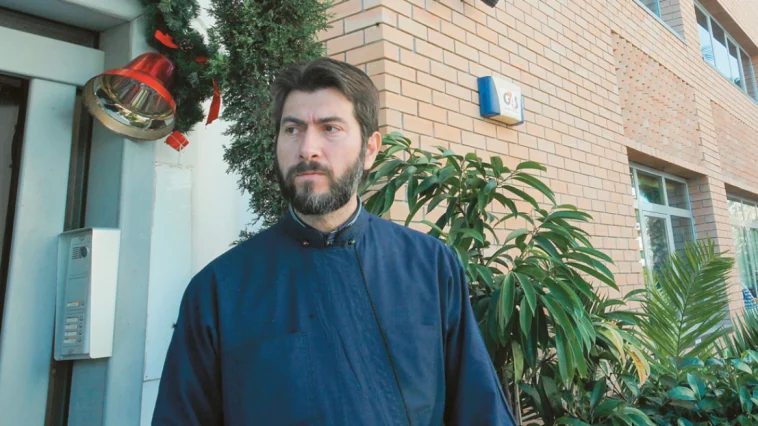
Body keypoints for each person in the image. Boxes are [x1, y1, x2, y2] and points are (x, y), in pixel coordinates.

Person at [152, 57, 515, 426]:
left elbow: (479, 409)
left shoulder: (430, 265)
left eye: (330, 128)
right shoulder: (219, 289)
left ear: (370, 149)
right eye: (292, 129)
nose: (307, 148)